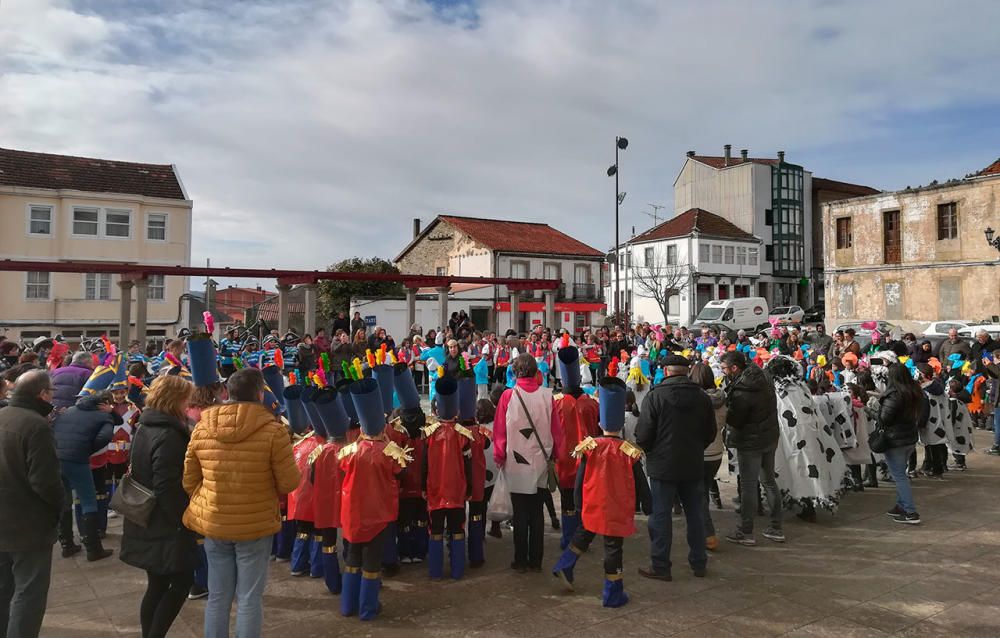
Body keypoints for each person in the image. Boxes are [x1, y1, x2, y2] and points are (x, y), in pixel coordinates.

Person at [182, 368, 301, 638]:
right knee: (249, 597)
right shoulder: (273, 431)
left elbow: (189, 479)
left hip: (214, 521)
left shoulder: (202, 427)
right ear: (260, 394)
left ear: (227, 393)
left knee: (218, 595)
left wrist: (213, 496)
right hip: (255, 524)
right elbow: (289, 482)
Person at [551, 376, 650, 607]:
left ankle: (565, 564)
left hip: (593, 502)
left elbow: (580, 478)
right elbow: (641, 482)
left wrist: (577, 501)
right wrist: (648, 504)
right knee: (613, 548)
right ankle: (612, 594)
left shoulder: (590, 446)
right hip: (616, 507)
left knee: (584, 534)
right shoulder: (628, 451)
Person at [119, 376, 197, 638]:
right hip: (165, 524)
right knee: (181, 582)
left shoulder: (146, 424)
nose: (190, 402)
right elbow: (166, 485)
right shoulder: (169, 434)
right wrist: (183, 520)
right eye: (187, 397)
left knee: (157, 584)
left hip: (147, 518)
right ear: (175, 399)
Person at [635, 355, 715, 581]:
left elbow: (643, 435)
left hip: (663, 465)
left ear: (667, 372)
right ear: (687, 372)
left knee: (661, 515)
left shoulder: (655, 396)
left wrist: (653, 451)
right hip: (692, 463)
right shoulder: (702, 397)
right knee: (696, 515)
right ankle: (699, 563)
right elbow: (710, 432)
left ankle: (661, 565)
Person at [0, 370, 64, 638]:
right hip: (28, 527)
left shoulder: (4, 416)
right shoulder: (36, 426)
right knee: (29, 594)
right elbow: (46, 483)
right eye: (51, 391)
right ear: (42, 394)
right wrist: (56, 514)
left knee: (4, 591)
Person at [494, 354, 562, 573]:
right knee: (537, 512)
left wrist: (499, 456)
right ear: (535, 372)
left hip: (515, 460)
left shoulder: (507, 396)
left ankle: (520, 559)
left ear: (515, 372)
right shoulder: (547, 396)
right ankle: (536, 560)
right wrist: (556, 454)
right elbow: (556, 430)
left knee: (520, 512)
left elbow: (499, 430)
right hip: (541, 460)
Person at [719, 351, 783, 546]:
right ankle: (776, 527)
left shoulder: (742, 391)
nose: (723, 373)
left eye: (724, 369)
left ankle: (746, 531)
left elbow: (736, 420)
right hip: (769, 436)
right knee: (769, 481)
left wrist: (725, 410)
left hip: (750, 441)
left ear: (734, 368)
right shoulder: (763, 378)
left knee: (748, 486)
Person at [52, 391, 117, 561]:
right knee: (89, 501)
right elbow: (105, 436)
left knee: (64, 500)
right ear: (102, 405)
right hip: (77, 460)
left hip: (57, 458)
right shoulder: (103, 417)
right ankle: (93, 548)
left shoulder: (69, 411)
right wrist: (87, 450)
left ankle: (66, 544)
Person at [878, 362, 923, 524]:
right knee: (900, 473)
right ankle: (901, 505)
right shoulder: (914, 391)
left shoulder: (895, 394)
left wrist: (873, 409)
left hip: (896, 438)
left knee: (899, 476)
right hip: (909, 437)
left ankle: (910, 511)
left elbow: (885, 418)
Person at [689, 363, 725, 551]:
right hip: (717, 452)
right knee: (703, 490)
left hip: (700, 451)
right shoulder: (721, 397)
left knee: (699, 495)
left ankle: (708, 534)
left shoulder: (695, 400)